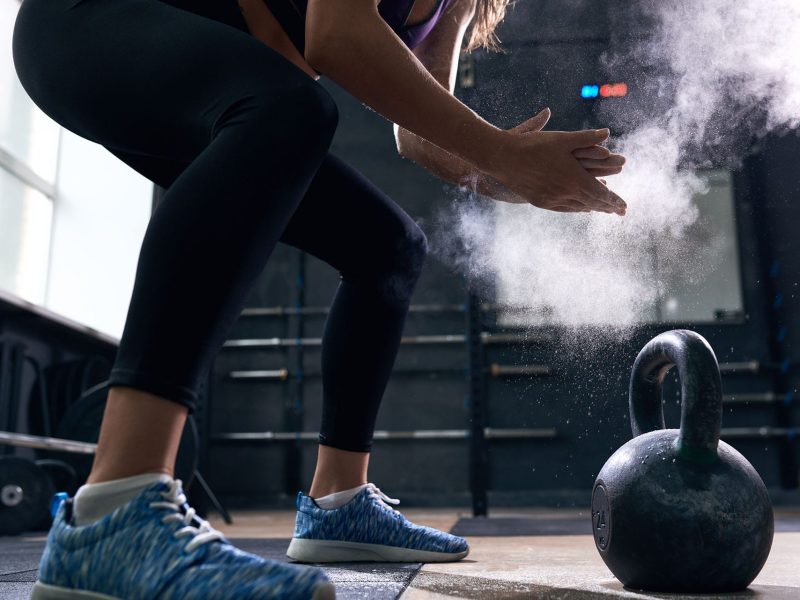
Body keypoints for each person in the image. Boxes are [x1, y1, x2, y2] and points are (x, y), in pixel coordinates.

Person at [12, 0, 626, 597]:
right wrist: (504, 154)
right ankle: (113, 514)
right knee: (291, 109)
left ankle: (339, 505)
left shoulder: (462, 3)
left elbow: (419, 136)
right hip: (88, 21)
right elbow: (335, 34)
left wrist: (517, 179)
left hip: (220, 90)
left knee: (388, 248)